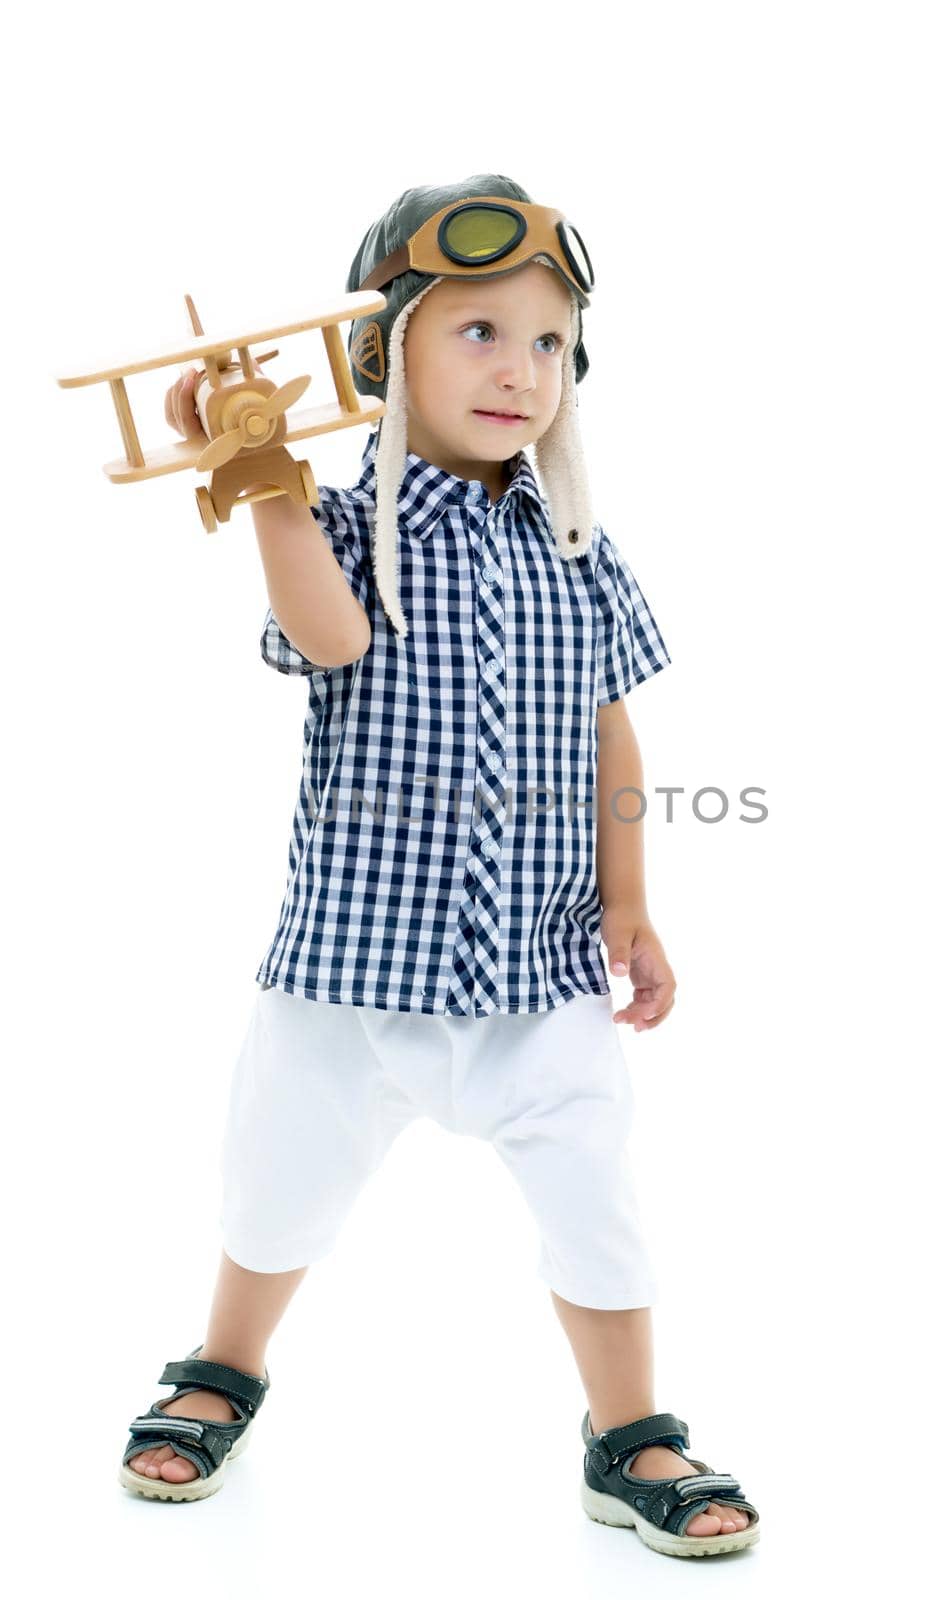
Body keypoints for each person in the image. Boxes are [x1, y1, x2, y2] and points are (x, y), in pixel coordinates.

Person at [118, 174, 760, 1559]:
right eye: (478, 332)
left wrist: (634, 902)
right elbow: (332, 639)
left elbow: (612, 734)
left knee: (600, 1205)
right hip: (349, 982)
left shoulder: (579, 552)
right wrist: (270, 478)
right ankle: (225, 1364)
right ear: (384, 352)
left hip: (539, 973)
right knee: (274, 1188)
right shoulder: (349, 530)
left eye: (548, 343)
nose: (522, 370)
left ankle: (629, 1430)